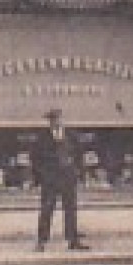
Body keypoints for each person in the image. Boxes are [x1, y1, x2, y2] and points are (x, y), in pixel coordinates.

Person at [32, 108, 88, 252]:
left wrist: (78, 172)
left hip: (68, 177)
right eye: (53, 120)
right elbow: (36, 158)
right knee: (47, 208)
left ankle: (72, 240)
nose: (56, 122)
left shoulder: (71, 135)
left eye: (58, 119)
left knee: (70, 208)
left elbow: (79, 155)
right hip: (50, 179)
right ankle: (41, 241)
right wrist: (41, 176)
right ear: (49, 122)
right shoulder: (42, 137)